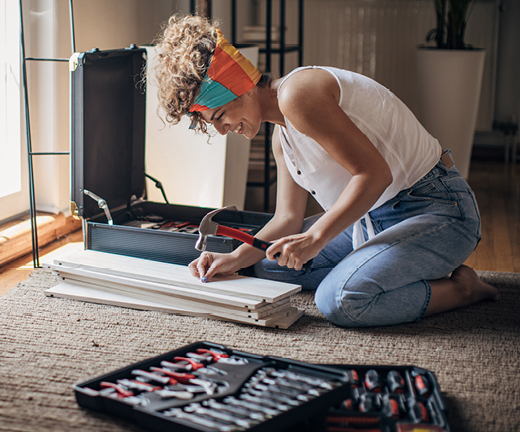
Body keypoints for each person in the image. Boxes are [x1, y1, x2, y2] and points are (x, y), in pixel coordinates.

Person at [152, 14, 499, 327]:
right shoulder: (281, 137)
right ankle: (380, 268)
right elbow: (287, 219)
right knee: (267, 265)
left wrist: (315, 239)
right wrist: (234, 258)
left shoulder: (298, 95)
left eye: (219, 117)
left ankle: (461, 289)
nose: (223, 130)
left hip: (437, 209)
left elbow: (375, 174)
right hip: (371, 220)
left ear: (239, 84)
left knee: (341, 300)